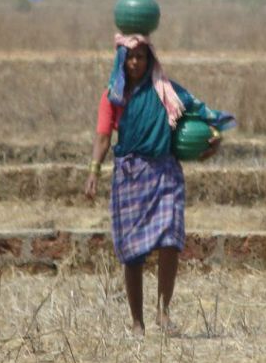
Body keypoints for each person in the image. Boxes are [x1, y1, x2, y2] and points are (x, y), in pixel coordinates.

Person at [84, 33, 236, 338]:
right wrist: (94, 170)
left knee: (170, 239)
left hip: (165, 171)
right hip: (130, 174)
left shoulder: (166, 91)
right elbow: (103, 137)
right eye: (130, 57)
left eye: (141, 56)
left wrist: (213, 141)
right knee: (133, 252)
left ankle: (163, 313)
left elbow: (201, 116)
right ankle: (137, 322)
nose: (135, 62)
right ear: (121, 61)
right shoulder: (113, 96)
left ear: (150, 58)